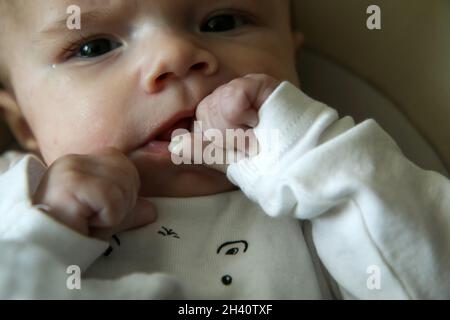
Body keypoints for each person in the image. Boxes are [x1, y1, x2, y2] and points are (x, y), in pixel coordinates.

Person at [0, 0, 449, 299]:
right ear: (23, 124)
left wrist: (301, 141)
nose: (175, 55)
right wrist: (47, 228)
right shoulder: (20, 202)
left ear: (292, 56)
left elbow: (428, 277)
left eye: (223, 22)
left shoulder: (321, 180)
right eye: (94, 46)